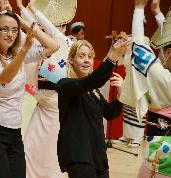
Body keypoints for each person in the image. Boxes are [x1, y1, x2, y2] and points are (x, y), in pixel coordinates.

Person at [0, 9, 59, 178]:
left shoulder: (17, 56)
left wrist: (26, 25)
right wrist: (23, 50)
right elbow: (5, 77)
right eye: (4, 29)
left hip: (14, 133)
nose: (10, 34)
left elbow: (53, 46)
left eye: (14, 30)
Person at [16, 0, 75, 177]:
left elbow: (43, 29)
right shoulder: (46, 44)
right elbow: (31, 31)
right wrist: (20, 10)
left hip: (57, 106)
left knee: (52, 150)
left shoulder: (67, 44)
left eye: (59, 25)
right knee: (30, 145)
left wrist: (32, 9)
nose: (56, 28)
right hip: (42, 104)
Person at [56, 39, 130, 178]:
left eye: (90, 57)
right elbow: (91, 81)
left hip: (97, 154)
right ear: (71, 60)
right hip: (78, 154)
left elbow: (110, 113)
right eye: (81, 56)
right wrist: (112, 57)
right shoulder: (65, 85)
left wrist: (121, 94)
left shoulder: (94, 91)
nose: (86, 60)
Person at [118, 0, 171, 177]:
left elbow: (139, 47)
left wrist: (139, 9)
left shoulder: (163, 77)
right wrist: (157, 12)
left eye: (162, 51)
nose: (159, 54)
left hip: (162, 138)